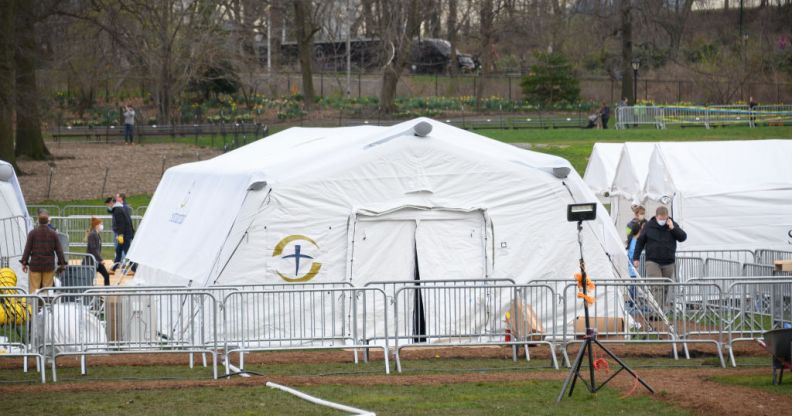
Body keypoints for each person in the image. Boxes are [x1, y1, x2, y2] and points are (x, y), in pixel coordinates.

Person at [632, 206, 687, 306]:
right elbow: (640, 242)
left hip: (668, 262)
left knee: (665, 287)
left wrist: (673, 228)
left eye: (664, 219)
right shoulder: (649, 226)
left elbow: (683, 237)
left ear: (667, 217)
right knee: (657, 286)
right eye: (660, 219)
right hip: (652, 261)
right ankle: (656, 313)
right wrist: (636, 258)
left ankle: (660, 312)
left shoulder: (672, 224)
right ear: (656, 217)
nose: (662, 221)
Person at [19, 210, 67, 293]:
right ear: (48, 221)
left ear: (38, 220)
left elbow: (27, 249)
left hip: (35, 265)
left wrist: (24, 262)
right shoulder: (53, 234)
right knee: (47, 290)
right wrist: (62, 264)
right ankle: (46, 305)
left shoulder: (32, 233)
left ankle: (34, 305)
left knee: (34, 289)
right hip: (48, 266)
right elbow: (59, 250)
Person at [106, 196, 135, 271]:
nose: (108, 206)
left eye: (108, 205)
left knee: (127, 252)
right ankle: (114, 268)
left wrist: (121, 235)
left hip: (125, 234)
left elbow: (121, 223)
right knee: (119, 251)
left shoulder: (117, 210)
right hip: (126, 233)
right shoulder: (119, 208)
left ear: (111, 203)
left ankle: (134, 269)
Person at [86, 216, 111, 286]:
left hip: (96, 261)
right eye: (101, 224)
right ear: (96, 225)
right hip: (91, 261)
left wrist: (99, 259)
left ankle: (107, 291)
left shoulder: (97, 234)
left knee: (106, 275)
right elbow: (93, 249)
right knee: (90, 279)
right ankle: (90, 294)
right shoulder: (92, 234)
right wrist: (100, 259)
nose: (102, 226)